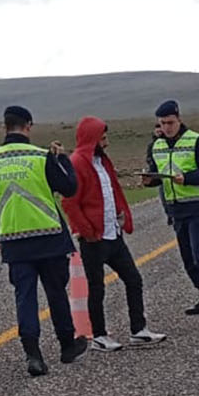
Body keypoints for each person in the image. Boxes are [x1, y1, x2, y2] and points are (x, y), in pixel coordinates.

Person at [0, 105, 89, 377]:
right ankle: (66, 346)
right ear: (28, 126)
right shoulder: (40, 156)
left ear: (4, 127)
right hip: (49, 237)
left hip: (14, 242)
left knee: (24, 298)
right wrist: (61, 159)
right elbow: (70, 188)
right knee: (56, 293)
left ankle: (33, 355)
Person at [61, 117, 169, 352]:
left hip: (113, 234)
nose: (107, 142)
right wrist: (87, 231)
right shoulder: (78, 163)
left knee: (133, 279)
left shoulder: (101, 162)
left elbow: (111, 191)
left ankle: (138, 330)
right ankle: (99, 335)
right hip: (94, 238)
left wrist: (122, 217)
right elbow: (70, 202)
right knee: (97, 287)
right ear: (93, 138)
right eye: (103, 138)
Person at [144, 100, 199, 316]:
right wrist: (149, 180)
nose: (167, 127)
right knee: (187, 258)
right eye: (162, 123)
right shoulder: (157, 146)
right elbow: (156, 172)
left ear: (179, 119)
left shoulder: (197, 141)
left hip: (197, 206)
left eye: (170, 122)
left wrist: (187, 178)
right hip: (175, 209)